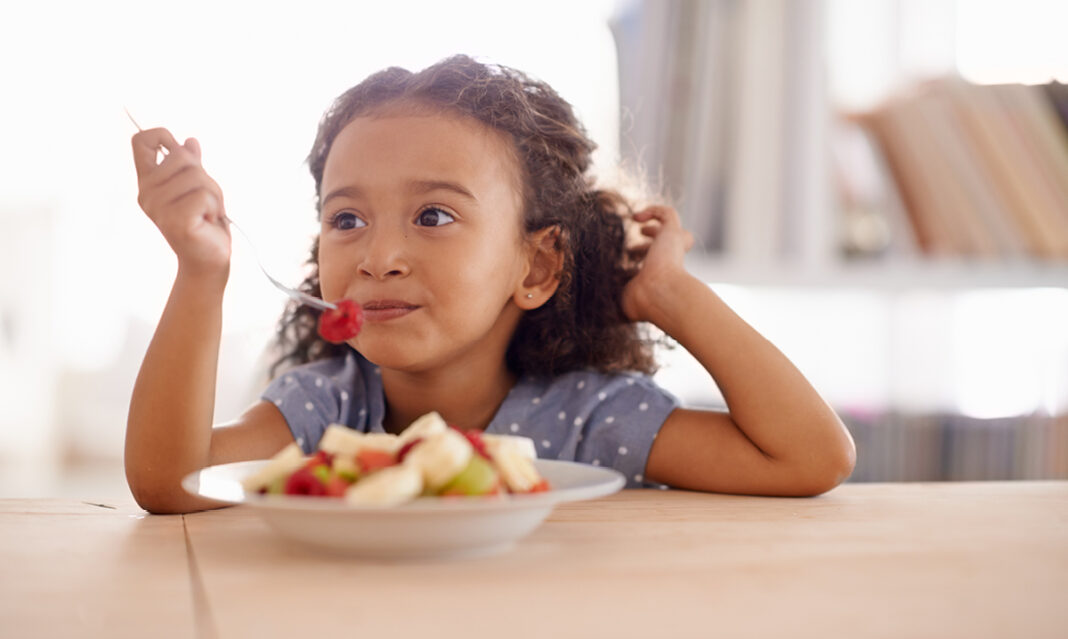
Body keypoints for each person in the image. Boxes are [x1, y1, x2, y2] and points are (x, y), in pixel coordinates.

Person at [126, 55, 855, 514]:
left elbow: (810, 457)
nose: (379, 256)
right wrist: (201, 271)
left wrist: (671, 297)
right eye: (347, 218)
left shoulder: (586, 418)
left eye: (433, 215)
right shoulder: (330, 406)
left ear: (536, 266)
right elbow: (173, 482)